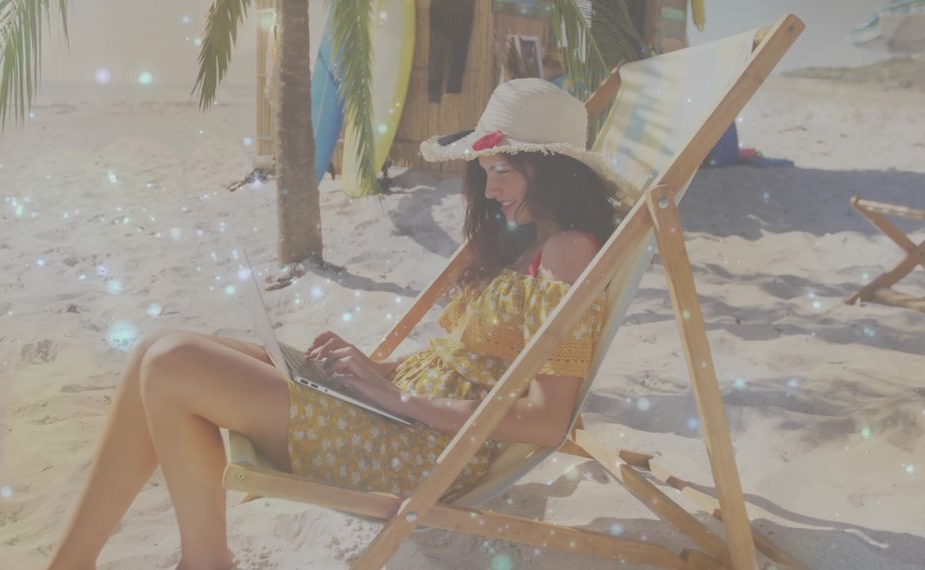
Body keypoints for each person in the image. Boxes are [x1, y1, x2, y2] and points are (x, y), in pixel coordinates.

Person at [44, 78, 633, 570]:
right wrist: (373, 370)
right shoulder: (526, 245)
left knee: (173, 365)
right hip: (391, 418)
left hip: (420, 453)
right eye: (484, 170)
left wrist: (396, 397)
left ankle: (200, 564)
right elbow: (467, 364)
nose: (489, 187)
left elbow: (546, 418)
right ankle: (73, 562)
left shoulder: (567, 254)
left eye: (503, 169)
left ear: (551, 170)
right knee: (155, 349)